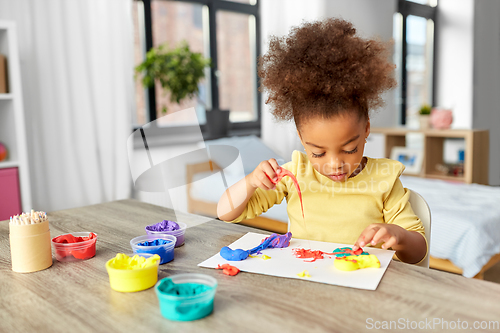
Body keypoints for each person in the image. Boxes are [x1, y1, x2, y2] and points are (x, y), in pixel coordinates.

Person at [217, 18, 427, 264]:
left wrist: (399, 235)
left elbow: (418, 251)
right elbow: (225, 212)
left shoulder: (385, 179)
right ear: (301, 139)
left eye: (350, 149)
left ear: (367, 127)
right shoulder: (294, 174)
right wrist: (252, 181)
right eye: (318, 153)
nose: (335, 164)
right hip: (306, 282)